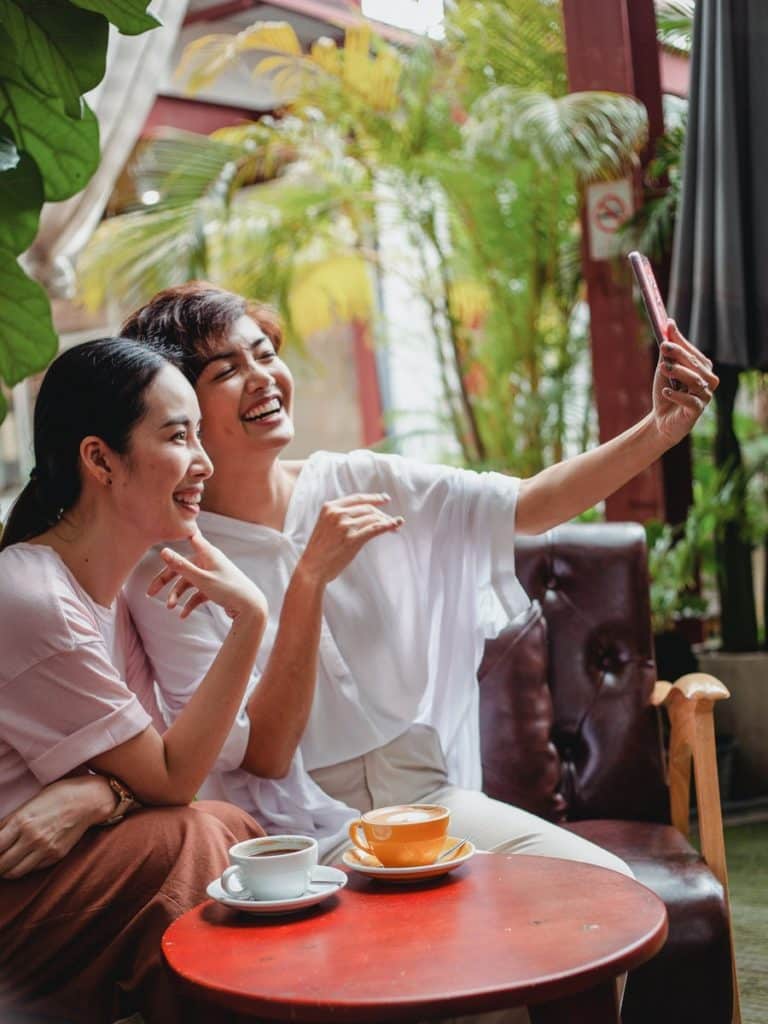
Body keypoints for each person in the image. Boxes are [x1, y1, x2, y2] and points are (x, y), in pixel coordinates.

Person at [114, 281, 717, 875]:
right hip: (294, 837)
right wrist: (310, 579)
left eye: (266, 354)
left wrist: (659, 428)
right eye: (226, 371)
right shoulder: (168, 568)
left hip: (427, 801)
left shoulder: (357, 480)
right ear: (180, 411)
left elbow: (528, 505)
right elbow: (263, 756)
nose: (263, 377)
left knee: (603, 888)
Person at [0, 337, 271, 1024]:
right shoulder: (32, 598)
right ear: (100, 459)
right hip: (14, 894)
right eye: (179, 437)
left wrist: (100, 794)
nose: (204, 463)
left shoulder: (116, 597)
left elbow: (163, 779)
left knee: (225, 831)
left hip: (58, 880)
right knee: (197, 840)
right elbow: (174, 780)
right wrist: (249, 620)